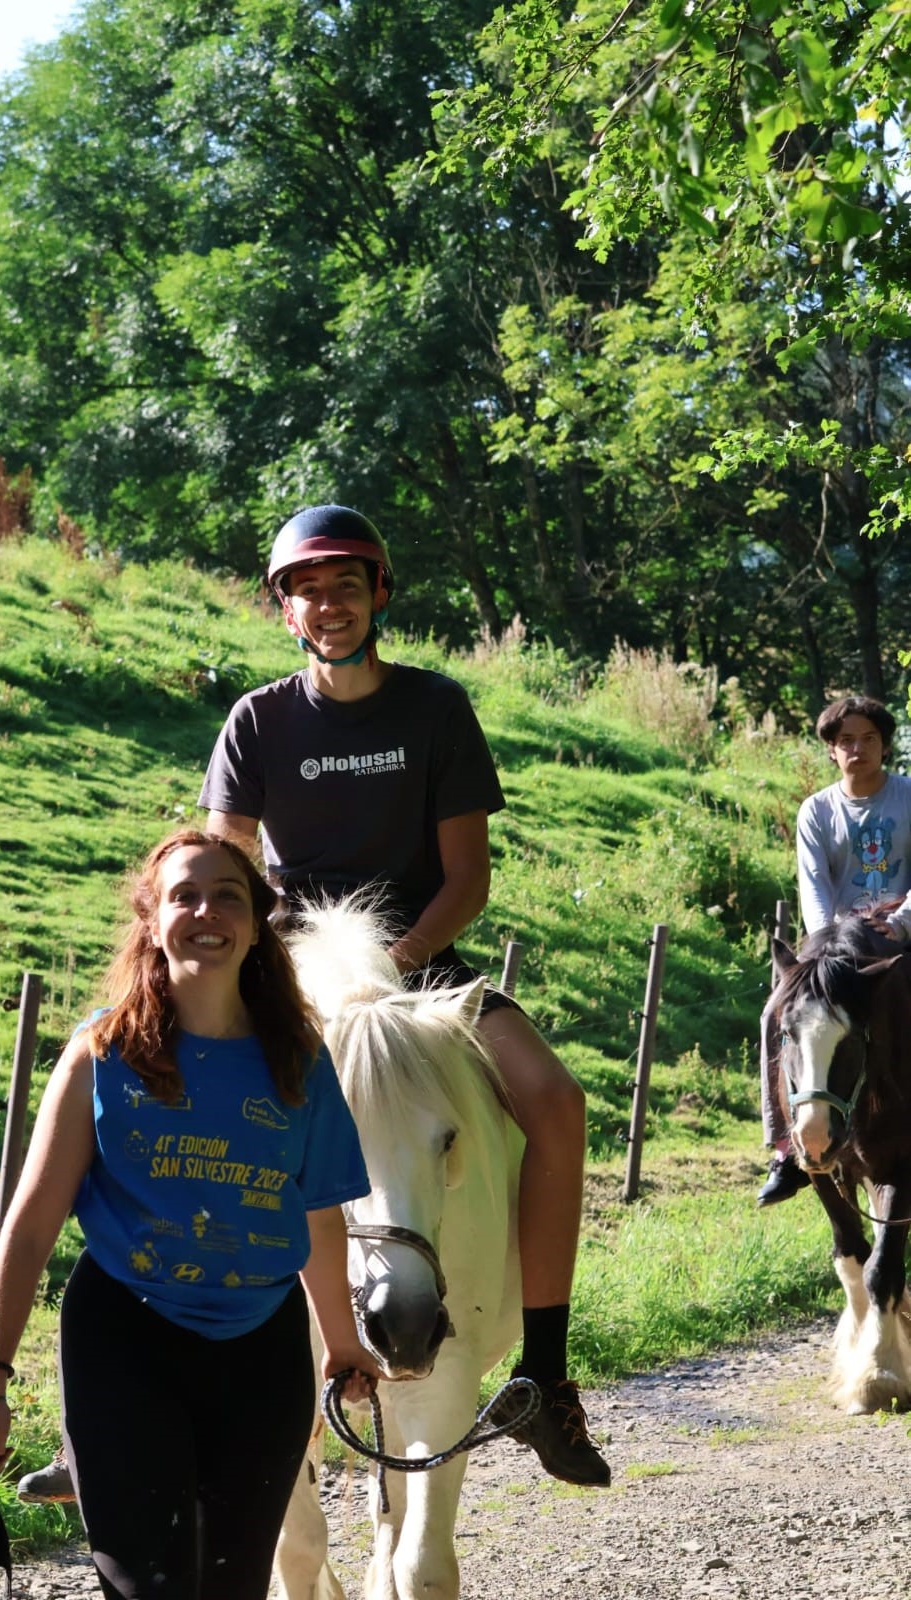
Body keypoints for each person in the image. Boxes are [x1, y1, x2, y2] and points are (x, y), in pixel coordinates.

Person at [198, 502, 611, 1488]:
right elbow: (227, 869)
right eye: (307, 591)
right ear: (286, 610)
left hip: (423, 973)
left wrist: (400, 959)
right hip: (297, 978)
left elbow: (467, 877)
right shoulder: (257, 721)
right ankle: (135, 1385)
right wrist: (276, 971)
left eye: (346, 586)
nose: (328, 605)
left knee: (556, 1100)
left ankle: (544, 1376)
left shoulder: (435, 708)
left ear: (379, 594)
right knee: (160, 1098)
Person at [0, 827, 378, 1600]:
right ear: (152, 921)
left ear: (257, 924)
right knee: (145, 1586)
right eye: (183, 896)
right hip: (125, 1342)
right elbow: (30, 1225)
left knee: (233, 1586)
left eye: (227, 896)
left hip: (262, 1356)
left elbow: (318, 1213)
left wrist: (342, 1341)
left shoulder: (299, 1061)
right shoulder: (102, 1054)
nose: (205, 912)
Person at [758, 695, 911, 1205]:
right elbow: (814, 887)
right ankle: (785, 1147)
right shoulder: (816, 811)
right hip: (840, 950)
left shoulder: (909, 798)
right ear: (831, 749)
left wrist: (902, 924)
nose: (857, 749)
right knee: (773, 1014)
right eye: (846, 740)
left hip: (901, 938)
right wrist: (829, 949)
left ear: (885, 745)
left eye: (868, 739)